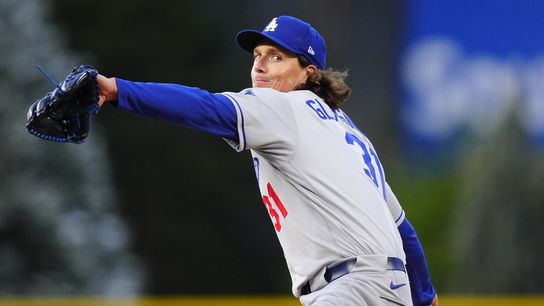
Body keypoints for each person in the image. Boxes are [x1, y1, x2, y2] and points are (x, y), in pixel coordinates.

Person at [96, 15, 438, 306]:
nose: (259, 64)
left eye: (276, 57)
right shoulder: (350, 135)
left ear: (309, 73)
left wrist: (116, 90)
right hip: (388, 288)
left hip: (350, 288)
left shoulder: (285, 107)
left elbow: (203, 107)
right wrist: (424, 298)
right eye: (258, 55)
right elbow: (401, 229)